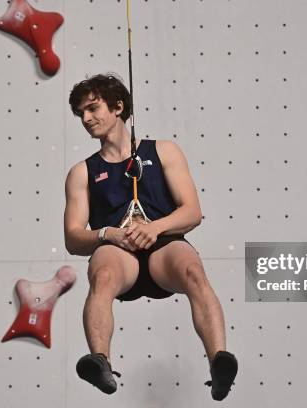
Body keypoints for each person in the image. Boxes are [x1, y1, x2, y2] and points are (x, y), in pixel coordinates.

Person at [64, 73, 238, 400]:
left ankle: (219, 364)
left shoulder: (164, 151)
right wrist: (108, 234)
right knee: (102, 275)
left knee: (193, 272)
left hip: (162, 246)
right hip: (117, 250)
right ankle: (100, 362)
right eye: (80, 114)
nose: (86, 119)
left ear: (118, 107)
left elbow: (192, 213)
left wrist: (155, 228)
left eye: (92, 108)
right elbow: (73, 238)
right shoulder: (81, 172)